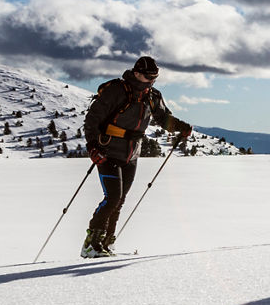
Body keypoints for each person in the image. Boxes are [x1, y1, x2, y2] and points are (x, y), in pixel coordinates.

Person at [81, 56, 192, 257]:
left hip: (132, 154)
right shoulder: (116, 90)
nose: (152, 81)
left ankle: (107, 243)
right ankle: (91, 244)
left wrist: (181, 127)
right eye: (149, 77)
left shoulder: (152, 96)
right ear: (137, 73)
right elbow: (92, 119)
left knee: (120, 200)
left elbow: (163, 118)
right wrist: (92, 147)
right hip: (107, 151)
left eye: (155, 78)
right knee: (113, 198)